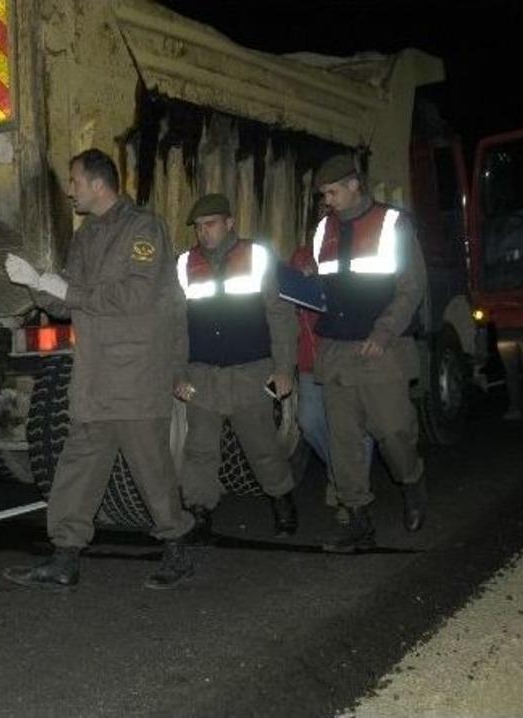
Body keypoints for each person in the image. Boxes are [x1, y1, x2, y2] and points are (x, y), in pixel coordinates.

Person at [2, 148, 195, 591]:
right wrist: (36, 285)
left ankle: (178, 548)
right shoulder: (88, 234)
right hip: (95, 376)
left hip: (134, 374)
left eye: (74, 181)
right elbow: (70, 297)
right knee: (78, 467)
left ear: (97, 183)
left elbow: (134, 296)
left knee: (151, 467)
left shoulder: (143, 228)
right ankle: (65, 556)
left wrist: (61, 288)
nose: (70, 190)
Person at [311, 154, 428, 552]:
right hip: (337, 351)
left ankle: (411, 481)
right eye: (324, 194)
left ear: (354, 184)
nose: (328, 201)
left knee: (394, 431)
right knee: (343, 441)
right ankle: (359, 519)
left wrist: (383, 331)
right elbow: (326, 285)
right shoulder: (323, 229)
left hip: (381, 348)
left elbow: (412, 287)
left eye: (333, 192)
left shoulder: (392, 223)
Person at [173, 194, 299, 539]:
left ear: (230, 223)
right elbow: (176, 325)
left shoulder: (256, 256)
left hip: (250, 372)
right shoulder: (184, 264)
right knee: (199, 450)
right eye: (198, 227)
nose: (203, 232)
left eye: (210, 224)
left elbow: (281, 315)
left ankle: (282, 501)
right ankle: (199, 514)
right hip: (203, 375)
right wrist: (178, 374)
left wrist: (284, 368)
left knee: (262, 446)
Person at [289, 244, 374, 524]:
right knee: (310, 421)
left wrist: (322, 281)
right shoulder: (301, 255)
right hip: (310, 359)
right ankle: (341, 475)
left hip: (346, 353)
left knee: (355, 426)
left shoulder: (358, 252)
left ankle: (352, 496)